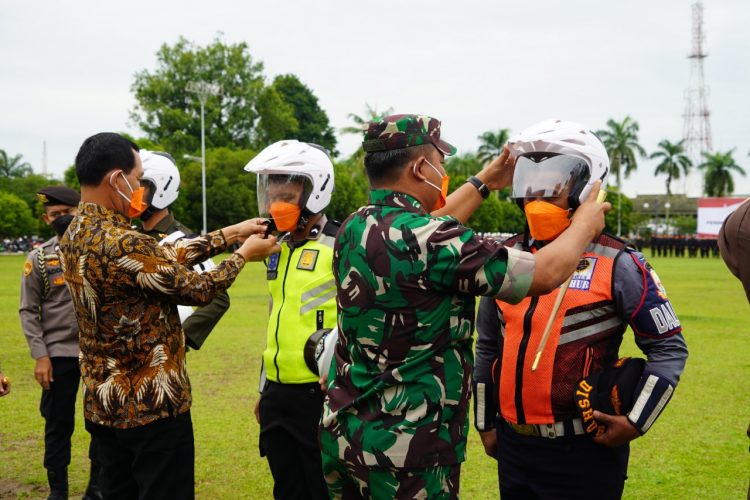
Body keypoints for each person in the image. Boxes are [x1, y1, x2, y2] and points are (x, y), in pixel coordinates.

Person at [320, 114, 611, 498]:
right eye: (440, 163)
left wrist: (484, 182)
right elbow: (545, 272)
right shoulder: (435, 241)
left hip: (345, 436)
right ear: (420, 167)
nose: (443, 173)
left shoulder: (355, 227)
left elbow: (423, 232)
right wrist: (585, 224)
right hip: (407, 451)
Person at [473, 119, 689, 499]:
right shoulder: (505, 257)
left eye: (554, 181)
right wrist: (484, 422)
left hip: (585, 450)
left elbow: (669, 348)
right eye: (530, 180)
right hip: (513, 447)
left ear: (587, 186)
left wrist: (637, 421)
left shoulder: (619, 262)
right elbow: (488, 347)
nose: (537, 196)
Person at [57, 132, 280, 499]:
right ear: (116, 179)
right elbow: (198, 289)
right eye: (137, 176)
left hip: (104, 403)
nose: (139, 187)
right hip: (153, 408)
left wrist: (231, 234)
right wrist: (242, 255)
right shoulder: (123, 240)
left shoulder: (76, 233)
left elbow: (160, 260)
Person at [244, 140, 338, 500]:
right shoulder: (276, 247)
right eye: (271, 195)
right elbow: (275, 320)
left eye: (285, 195)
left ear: (315, 193)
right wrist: (265, 388)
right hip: (277, 397)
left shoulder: (341, 243)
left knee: (321, 489)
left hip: (321, 396)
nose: (273, 205)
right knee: (285, 488)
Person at [19, 186, 101, 500]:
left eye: (67, 213)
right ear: (45, 218)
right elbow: (28, 309)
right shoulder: (39, 258)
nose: (61, 219)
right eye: (54, 215)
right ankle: (58, 490)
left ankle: (96, 489)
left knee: (101, 425)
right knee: (57, 424)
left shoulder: (99, 251)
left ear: (80, 211)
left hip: (97, 353)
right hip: (58, 356)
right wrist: (40, 355)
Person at [138, 149, 230, 350]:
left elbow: (218, 298)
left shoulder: (183, 240)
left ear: (161, 188)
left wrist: (181, 338)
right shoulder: (129, 235)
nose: (132, 193)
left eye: (140, 186)